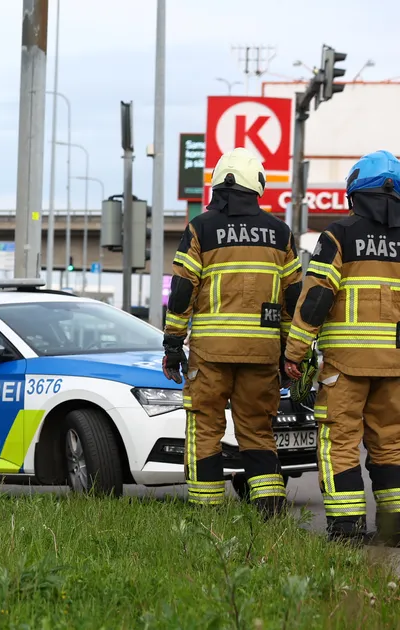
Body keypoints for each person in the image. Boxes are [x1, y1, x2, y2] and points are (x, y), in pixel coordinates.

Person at [162, 147, 302, 518]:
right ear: (256, 184)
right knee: (257, 429)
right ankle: (269, 511)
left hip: (210, 354)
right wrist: (291, 352)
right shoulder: (280, 233)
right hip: (262, 353)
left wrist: (173, 344)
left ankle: (207, 512)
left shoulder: (201, 228)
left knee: (205, 427)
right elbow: (293, 298)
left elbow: (182, 291)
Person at [284, 150, 400, 544]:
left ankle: (347, 527)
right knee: (391, 443)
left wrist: (295, 352)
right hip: (395, 365)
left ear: (356, 193)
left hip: (345, 366)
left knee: (340, 442)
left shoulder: (340, 234)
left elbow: (317, 297)